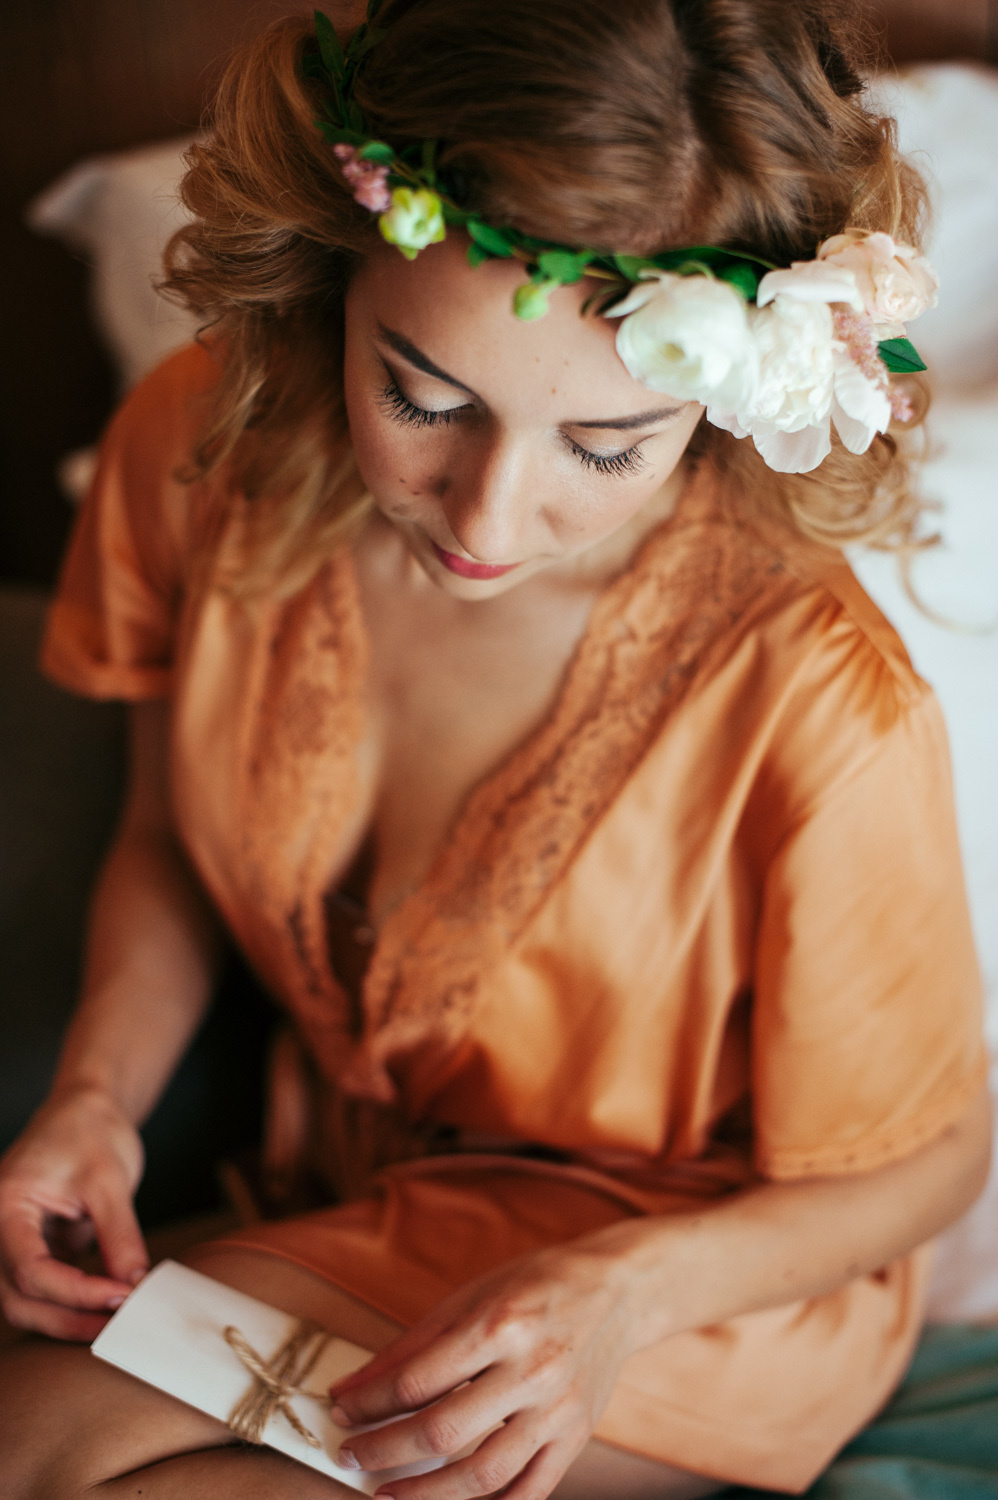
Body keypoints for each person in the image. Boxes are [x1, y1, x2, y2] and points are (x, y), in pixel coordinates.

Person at [0, 1, 990, 1496]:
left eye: (605, 446)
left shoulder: (815, 700)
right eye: (420, 394)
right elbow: (163, 843)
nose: (482, 518)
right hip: (382, 1197)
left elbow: (923, 1163)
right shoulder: (199, 456)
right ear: (330, 275)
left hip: (687, 1278)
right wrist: (90, 1098)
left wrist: (616, 1304)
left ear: (716, 405)